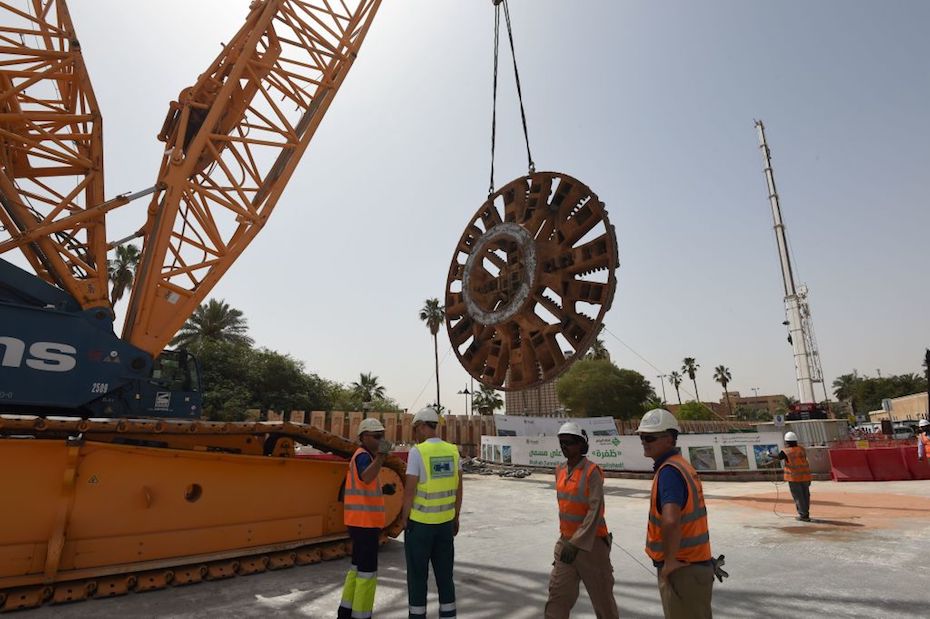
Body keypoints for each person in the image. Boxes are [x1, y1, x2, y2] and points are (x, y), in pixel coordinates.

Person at [636, 408, 714, 619]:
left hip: (682, 569)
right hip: (694, 565)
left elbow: (671, 520)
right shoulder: (679, 466)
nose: (644, 441)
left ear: (669, 439)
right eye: (642, 436)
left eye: (650, 437)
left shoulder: (669, 472)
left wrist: (669, 562)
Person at [544, 422, 619, 619]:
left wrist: (576, 542)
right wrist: (568, 543)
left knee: (603, 602)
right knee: (557, 596)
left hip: (592, 546)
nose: (564, 447)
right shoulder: (559, 470)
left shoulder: (592, 471)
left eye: (568, 442)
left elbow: (595, 510)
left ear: (580, 445)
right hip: (566, 544)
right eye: (561, 442)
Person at [398, 407, 462, 619]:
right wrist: (456, 516)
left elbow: (410, 491)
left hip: (420, 526)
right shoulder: (453, 451)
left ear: (423, 426)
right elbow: (459, 488)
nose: (415, 434)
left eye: (416, 429)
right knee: (445, 576)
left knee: (417, 577)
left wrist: (404, 519)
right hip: (445, 525)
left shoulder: (418, 452)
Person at [338, 417, 394, 619]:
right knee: (367, 572)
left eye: (382, 436)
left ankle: (346, 610)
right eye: (377, 436)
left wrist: (383, 490)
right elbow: (366, 477)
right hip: (364, 523)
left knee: (356, 568)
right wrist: (381, 457)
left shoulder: (365, 457)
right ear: (363, 437)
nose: (381, 439)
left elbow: (365, 485)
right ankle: (361, 615)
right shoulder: (364, 456)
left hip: (359, 522)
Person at [776, 431, 812, 521]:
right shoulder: (802, 449)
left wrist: (769, 455)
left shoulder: (786, 451)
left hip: (794, 478)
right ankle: (806, 513)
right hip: (805, 477)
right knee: (805, 496)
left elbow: (778, 456)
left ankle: (803, 515)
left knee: (798, 497)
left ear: (787, 442)